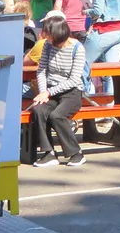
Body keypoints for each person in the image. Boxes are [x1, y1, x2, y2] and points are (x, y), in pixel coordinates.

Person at [30, 13, 88, 167]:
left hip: (71, 92)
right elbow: (42, 70)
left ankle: (76, 153)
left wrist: (48, 92)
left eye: (48, 35)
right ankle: (49, 153)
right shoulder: (47, 46)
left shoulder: (77, 48)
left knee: (57, 116)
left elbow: (74, 79)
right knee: (39, 110)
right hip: (50, 90)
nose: (46, 37)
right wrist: (43, 92)